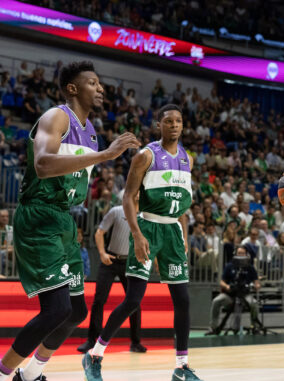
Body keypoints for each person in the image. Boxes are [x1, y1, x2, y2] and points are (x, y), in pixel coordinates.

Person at [0, 61, 140, 381]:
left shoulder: (90, 131)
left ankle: (32, 373)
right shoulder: (56, 116)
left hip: (64, 220)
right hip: (39, 216)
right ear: (73, 88)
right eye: (93, 83)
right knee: (57, 310)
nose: (101, 88)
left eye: (100, 84)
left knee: (76, 311)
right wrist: (105, 155)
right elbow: (44, 164)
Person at [82, 104, 202, 381]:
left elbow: (181, 204)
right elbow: (127, 198)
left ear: (183, 126)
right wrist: (137, 235)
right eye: (168, 121)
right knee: (133, 299)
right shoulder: (146, 155)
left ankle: (182, 367)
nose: (174, 125)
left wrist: (184, 236)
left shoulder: (188, 159)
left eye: (178, 121)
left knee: (182, 300)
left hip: (173, 233)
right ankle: (95, 354)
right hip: (148, 227)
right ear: (159, 125)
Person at [77, 201, 145, 354]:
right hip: (110, 259)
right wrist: (101, 253)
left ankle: (136, 342)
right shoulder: (116, 211)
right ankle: (91, 341)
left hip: (130, 262)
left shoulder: (144, 216)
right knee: (99, 300)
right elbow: (99, 232)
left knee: (134, 302)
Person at [206, 246, 261, 335]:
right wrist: (227, 286)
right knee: (216, 301)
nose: (241, 255)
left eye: (243, 253)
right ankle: (213, 328)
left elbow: (256, 281)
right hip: (230, 294)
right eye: (239, 253)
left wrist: (257, 285)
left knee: (254, 303)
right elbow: (222, 282)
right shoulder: (229, 266)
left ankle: (254, 327)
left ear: (246, 255)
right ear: (235, 254)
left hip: (245, 294)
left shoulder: (250, 267)